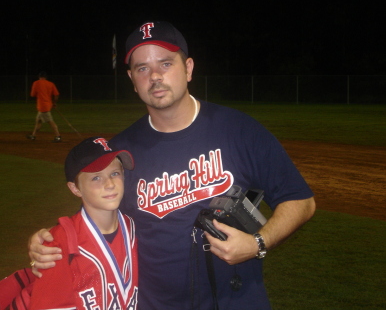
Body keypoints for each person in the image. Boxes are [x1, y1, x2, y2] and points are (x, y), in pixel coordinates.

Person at [29, 21, 316, 309]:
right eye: (142, 68)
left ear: (188, 68)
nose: (154, 76)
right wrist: (50, 241)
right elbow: (96, 218)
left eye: (166, 63)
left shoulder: (239, 130)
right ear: (132, 78)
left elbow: (300, 200)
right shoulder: (120, 153)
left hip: (239, 300)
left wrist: (257, 243)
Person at [29, 136, 138, 310]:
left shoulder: (133, 227)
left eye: (115, 173)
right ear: (75, 188)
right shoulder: (59, 243)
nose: (109, 184)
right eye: (96, 178)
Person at [27, 71, 62, 142]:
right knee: (38, 121)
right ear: (46, 77)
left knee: (50, 121)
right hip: (47, 105)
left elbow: (32, 94)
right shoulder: (51, 84)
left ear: (39, 77)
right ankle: (33, 136)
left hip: (42, 106)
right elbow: (56, 95)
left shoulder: (36, 83)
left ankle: (57, 136)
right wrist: (54, 103)